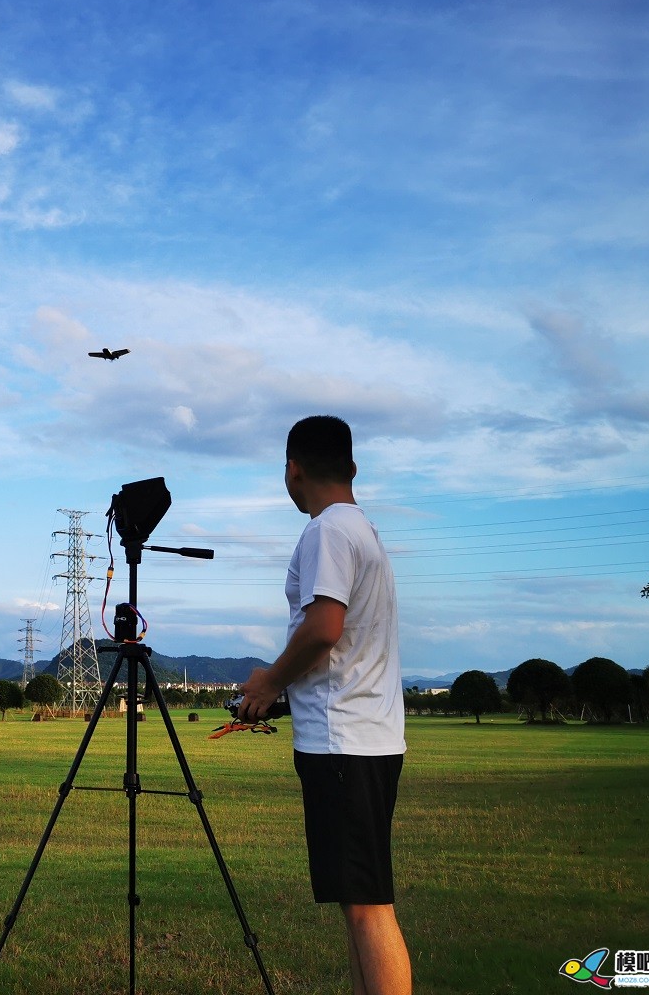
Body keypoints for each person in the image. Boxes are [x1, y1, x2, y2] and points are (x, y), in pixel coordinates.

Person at [238, 415, 411, 995]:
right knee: (358, 903)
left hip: (344, 745)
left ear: (294, 468)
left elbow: (324, 628)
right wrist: (291, 692)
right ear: (352, 466)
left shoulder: (328, 531)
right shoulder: (361, 529)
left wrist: (267, 684)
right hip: (366, 738)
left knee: (368, 908)